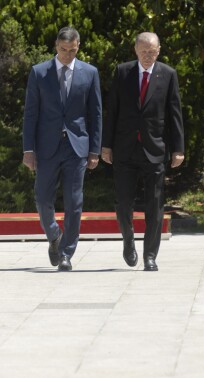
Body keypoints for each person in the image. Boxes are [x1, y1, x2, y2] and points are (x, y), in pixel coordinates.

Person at [102, 32, 184, 272]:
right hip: (125, 149)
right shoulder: (123, 72)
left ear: (159, 50)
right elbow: (112, 111)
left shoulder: (168, 75)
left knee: (154, 205)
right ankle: (128, 240)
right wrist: (106, 145)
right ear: (135, 50)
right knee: (124, 203)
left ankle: (150, 255)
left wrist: (178, 149)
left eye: (152, 51)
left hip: (155, 150)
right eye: (143, 51)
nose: (148, 55)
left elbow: (174, 114)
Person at [22, 26, 102, 272]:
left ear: (79, 46)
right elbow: (31, 113)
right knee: (43, 198)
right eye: (63, 50)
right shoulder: (39, 72)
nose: (67, 54)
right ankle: (54, 235)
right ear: (56, 46)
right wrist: (28, 150)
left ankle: (67, 252)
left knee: (74, 201)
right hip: (47, 147)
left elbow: (95, 113)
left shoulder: (90, 73)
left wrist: (95, 150)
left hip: (77, 147)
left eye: (72, 50)